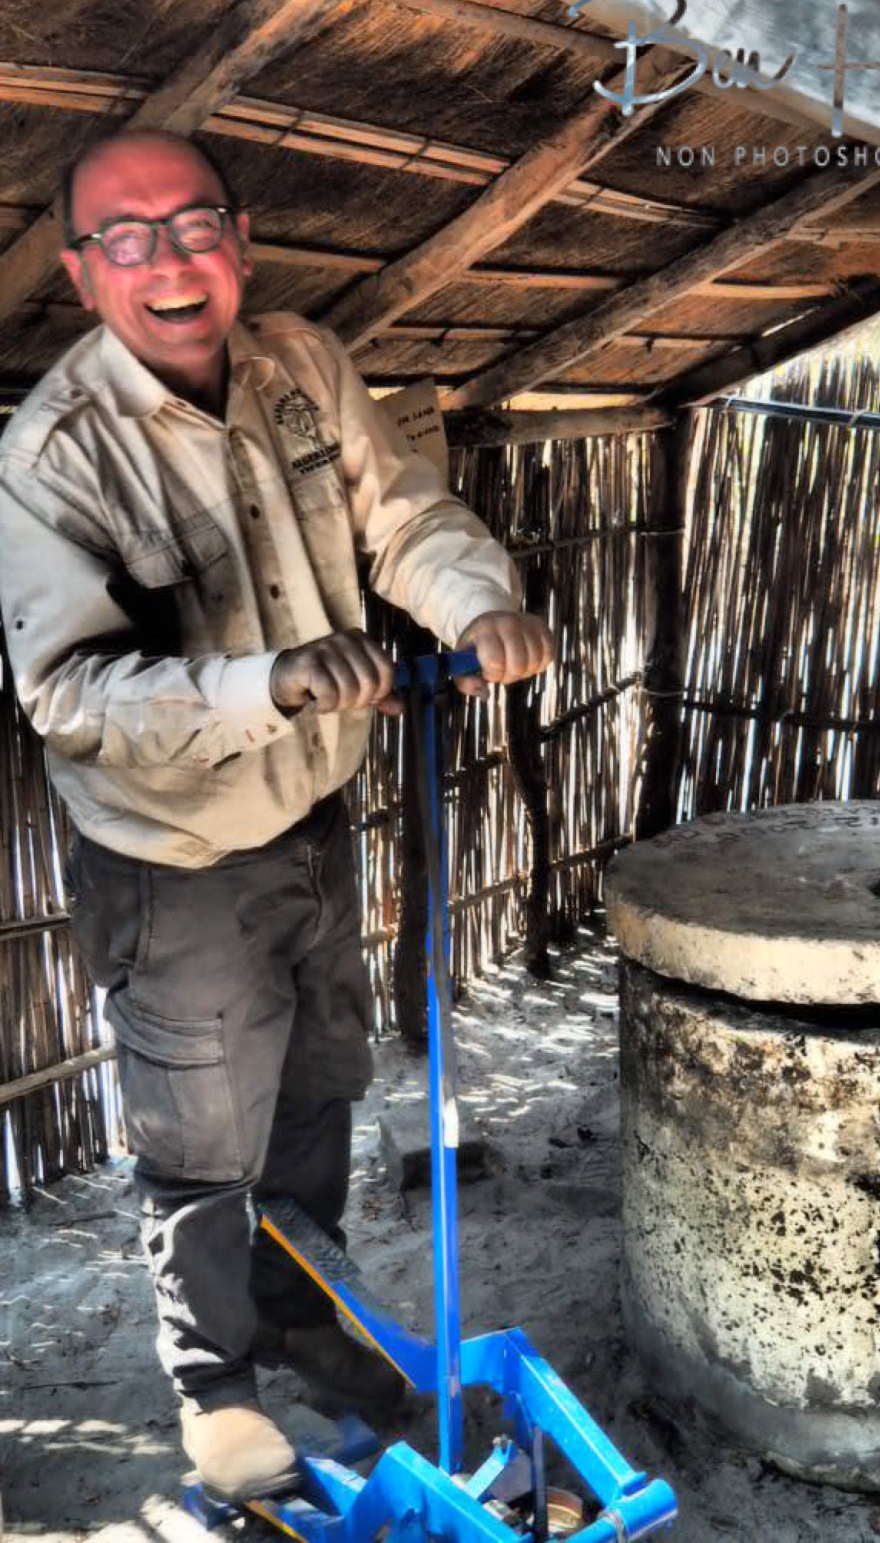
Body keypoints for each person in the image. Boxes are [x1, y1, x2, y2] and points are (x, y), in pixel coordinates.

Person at [0, 129, 554, 1504]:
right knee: (201, 1141)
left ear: (239, 239)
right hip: (175, 855)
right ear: (82, 273)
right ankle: (219, 1391)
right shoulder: (53, 453)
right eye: (126, 239)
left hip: (314, 813)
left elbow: (400, 511)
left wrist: (474, 597)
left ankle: (310, 1325)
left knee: (317, 1092)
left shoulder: (302, 366)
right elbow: (68, 693)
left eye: (192, 227)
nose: (168, 262)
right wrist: (272, 681)